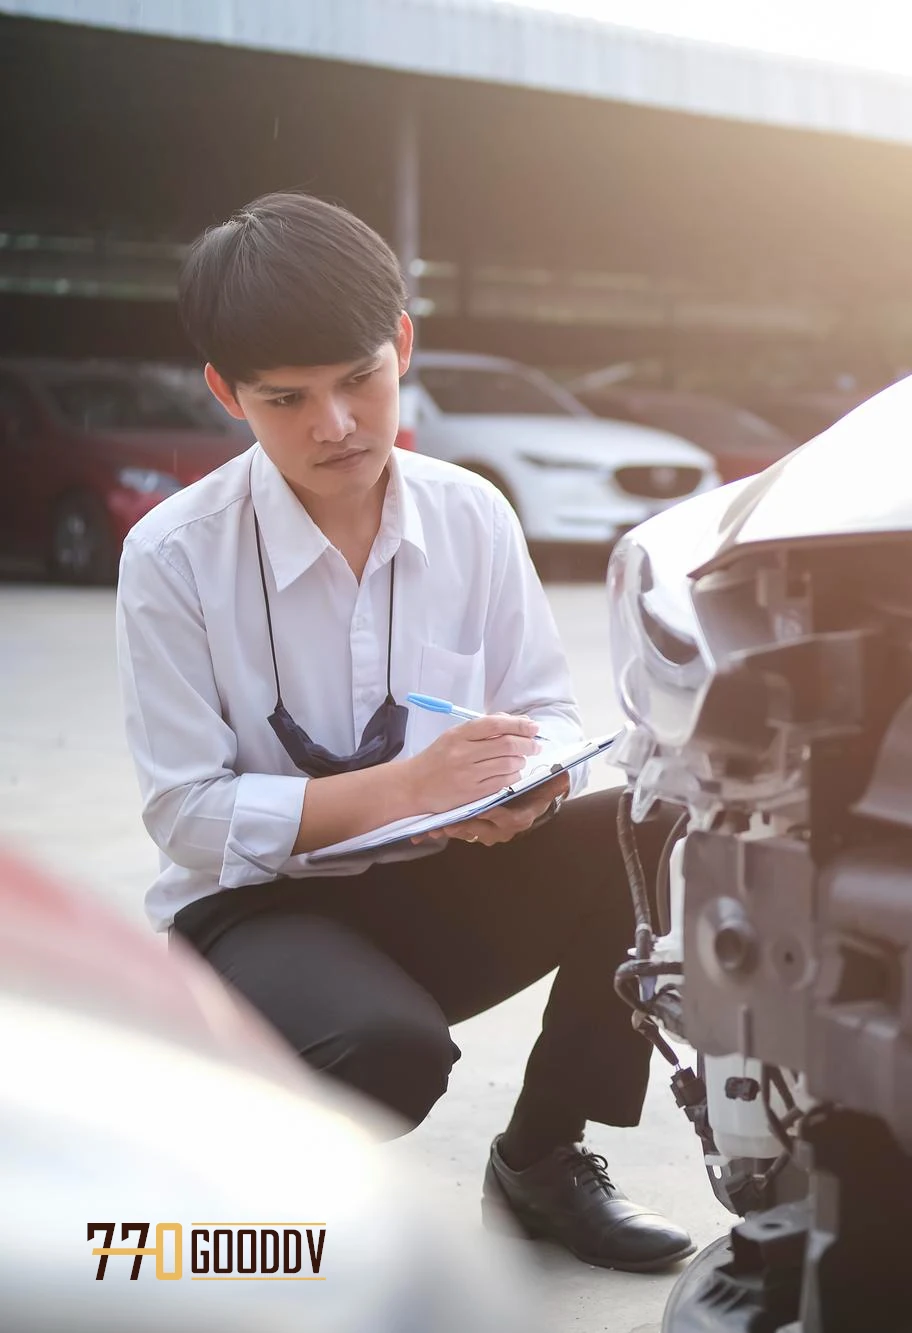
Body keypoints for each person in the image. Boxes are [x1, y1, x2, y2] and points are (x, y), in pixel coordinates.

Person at [115, 192, 691, 1274]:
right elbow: (186, 815)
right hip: (255, 915)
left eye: (359, 380)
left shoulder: (469, 512)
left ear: (403, 347)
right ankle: (232, 1219)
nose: (334, 425)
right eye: (286, 399)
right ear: (225, 393)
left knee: (649, 828)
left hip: (434, 880)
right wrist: (406, 788)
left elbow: (546, 710)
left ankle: (541, 1160)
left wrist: (528, 783)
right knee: (385, 1050)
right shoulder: (174, 557)